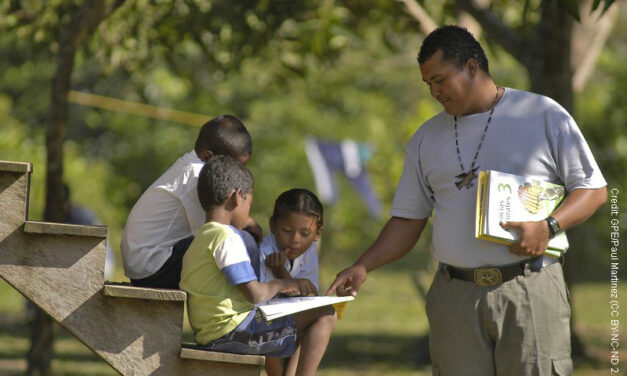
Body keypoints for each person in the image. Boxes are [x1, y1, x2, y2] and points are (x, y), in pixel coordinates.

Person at [328, 25, 607, 376]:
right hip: (454, 296)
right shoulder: (426, 138)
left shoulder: (541, 114)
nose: (435, 92)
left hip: (529, 288)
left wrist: (548, 227)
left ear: (472, 67)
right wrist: (362, 265)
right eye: (428, 84)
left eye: (440, 80)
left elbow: (593, 190)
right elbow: (408, 220)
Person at [179, 156, 335, 376]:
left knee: (309, 315)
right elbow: (256, 294)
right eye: (249, 203)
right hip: (234, 332)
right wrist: (285, 283)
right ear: (236, 198)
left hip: (211, 333)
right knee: (325, 313)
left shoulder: (200, 238)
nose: (248, 212)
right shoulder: (226, 238)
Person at [121, 114, 258, 289]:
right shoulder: (197, 177)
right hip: (155, 268)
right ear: (209, 157)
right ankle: (252, 303)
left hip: (146, 265)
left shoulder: (191, 166)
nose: (238, 174)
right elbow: (214, 231)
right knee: (244, 242)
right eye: (235, 167)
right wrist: (248, 224)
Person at [251, 188, 324, 375]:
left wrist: (281, 271)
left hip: (288, 320)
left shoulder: (309, 253)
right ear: (273, 225)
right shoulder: (266, 252)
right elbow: (263, 304)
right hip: (261, 323)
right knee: (318, 316)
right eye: (287, 230)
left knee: (324, 316)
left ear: (317, 234)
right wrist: (279, 270)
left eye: (305, 234)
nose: (295, 240)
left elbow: (305, 297)